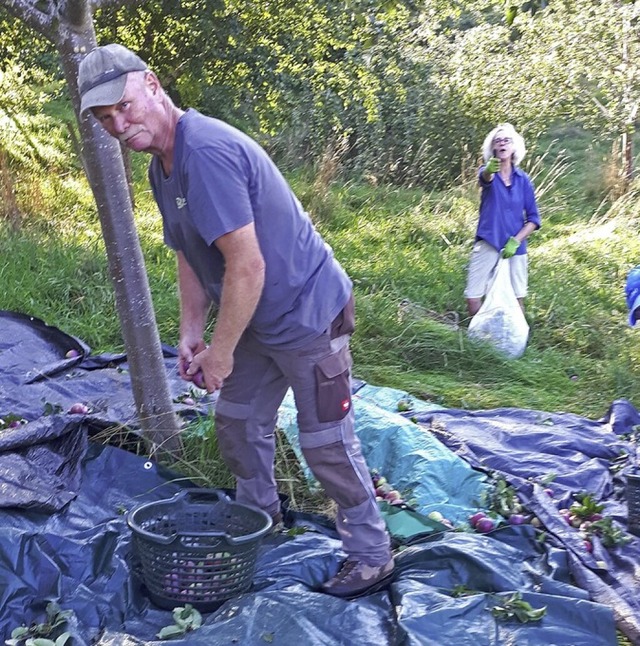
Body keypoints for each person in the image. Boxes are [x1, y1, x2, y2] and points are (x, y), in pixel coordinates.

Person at [77, 43, 394, 598]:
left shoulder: (207, 153)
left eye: (124, 107)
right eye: (106, 120)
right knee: (239, 422)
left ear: (152, 84)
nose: (120, 126)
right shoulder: (162, 166)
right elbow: (190, 252)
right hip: (253, 318)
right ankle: (260, 523)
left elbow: (248, 265)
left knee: (326, 443)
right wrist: (192, 333)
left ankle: (371, 556)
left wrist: (221, 353)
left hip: (306, 315)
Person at [465, 123, 541, 318]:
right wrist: (489, 170)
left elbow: (533, 218)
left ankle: (515, 342)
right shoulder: (487, 171)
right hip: (489, 240)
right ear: (493, 149)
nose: (502, 144)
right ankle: (482, 340)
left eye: (506, 140)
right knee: (473, 296)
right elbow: (485, 178)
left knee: (517, 298)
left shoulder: (523, 180)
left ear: (514, 146)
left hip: (515, 248)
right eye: (497, 141)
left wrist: (516, 241)